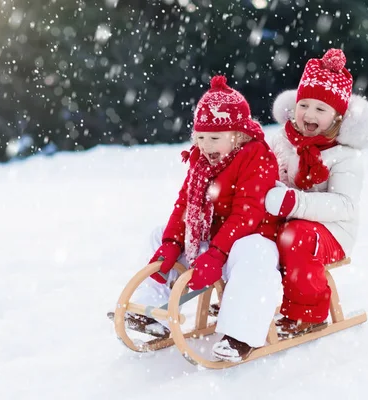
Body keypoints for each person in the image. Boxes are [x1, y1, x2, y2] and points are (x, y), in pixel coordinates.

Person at [117, 76, 283, 362]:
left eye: (214, 138)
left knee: (255, 253)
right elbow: (184, 206)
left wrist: (218, 253)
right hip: (212, 243)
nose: (205, 145)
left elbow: (248, 214)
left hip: (247, 240)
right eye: (200, 137)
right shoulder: (201, 162)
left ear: (238, 134)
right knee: (159, 234)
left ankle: (239, 335)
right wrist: (171, 242)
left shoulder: (256, 157)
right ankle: (151, 312)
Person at [264, 48, 368, 337]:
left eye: (320, 109)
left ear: (337, 117)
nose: (308, 114)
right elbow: (269, 176)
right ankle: (248, 297)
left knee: (297, 237)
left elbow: (343, 206)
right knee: (250, 232)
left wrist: (293, 202)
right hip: (288, 220)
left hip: (333, 232)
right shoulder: (283, 141)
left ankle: (307, 314)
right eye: (304, 105)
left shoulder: (345, 156)